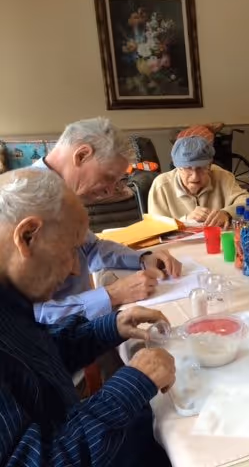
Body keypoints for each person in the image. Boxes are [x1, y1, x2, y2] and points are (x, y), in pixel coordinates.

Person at [0, 169, 176, 466]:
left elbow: (34, 364)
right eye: (70, 250)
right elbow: (33, 460)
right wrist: (133, 383)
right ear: (27, 236)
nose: (74, 270)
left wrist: (106, 328)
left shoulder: (10, 299)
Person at [31, 117, 182, 324]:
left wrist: (141, 259)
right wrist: (112, 295)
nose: (111, 191)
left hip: (81, 335)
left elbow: (91, 249)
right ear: (82, 155)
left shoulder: (63, 192)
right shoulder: (22, 204)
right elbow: (26, 318)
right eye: (108, 177)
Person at [148, 126, 249, 227]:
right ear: (177, 167)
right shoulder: (161, 185)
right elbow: (154, 227)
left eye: (201, 168)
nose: (195, 177)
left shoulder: (223, 176)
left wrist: (227, 213)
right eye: (187, 168)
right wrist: (186, 221)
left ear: (210, 165)